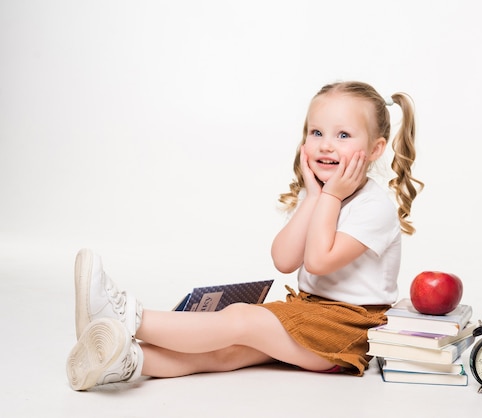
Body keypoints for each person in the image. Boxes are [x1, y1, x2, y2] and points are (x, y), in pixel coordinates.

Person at [66, 80, 424, 391]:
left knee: (241, 318)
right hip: (310, 312)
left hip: (347, 330)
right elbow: (284, 260)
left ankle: (124, 316)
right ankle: (124, 361)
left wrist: (328, 197)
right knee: (225, 353)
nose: (326, 145)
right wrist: (314, 197)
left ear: (376, 149)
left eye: (343, 135)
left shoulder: (374, 206)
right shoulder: (320, 193)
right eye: (317, 133)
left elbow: (318, 261)